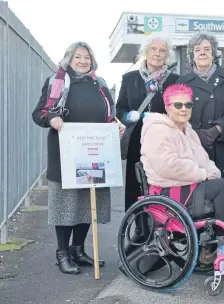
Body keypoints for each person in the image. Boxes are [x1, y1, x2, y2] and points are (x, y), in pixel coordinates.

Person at [140, 84, 224, 274]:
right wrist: (203, 174)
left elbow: (205, 160)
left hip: (188, 186)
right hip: (169, 192)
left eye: (188, 105)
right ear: (167, 107)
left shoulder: (188, 131)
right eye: (178, 105)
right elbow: (167, 165)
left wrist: (212, 172)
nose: (184, 109)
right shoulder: (158, 130)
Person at [32, 41, 124, 275]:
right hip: (66, 155)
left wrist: (116, 125)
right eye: (78, 57)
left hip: (94, 153)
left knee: (87, 201)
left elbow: (110, 114)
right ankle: (62, 253)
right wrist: (52, 119)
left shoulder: (100, 84)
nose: (83, 61)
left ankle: (78, 250)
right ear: (68, 60)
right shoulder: (57, 82)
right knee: (66, 204)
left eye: (87, 57)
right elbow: (40, 112)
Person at [116, 34, 180, 213]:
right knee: (134, 184)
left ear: (167, 55)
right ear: (145, 51)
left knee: (160, 183)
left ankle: (159, 225)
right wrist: (129, 116)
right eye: (153, 49)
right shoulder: (129, 78)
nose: (157, 54)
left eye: (162, 51)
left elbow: (178, 110)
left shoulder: (174, 80)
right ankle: (137, 224)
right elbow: (119, 109)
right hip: (136, 139)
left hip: (163, 141)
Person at [176, 32, 224, 175]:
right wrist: (195, 133)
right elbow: (176, 114)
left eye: (207, 49)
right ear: (192, 55)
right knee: (196, 193)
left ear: (214, 53)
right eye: (197, 50)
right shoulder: (182, 83)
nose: (202, 53)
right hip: (193, 146)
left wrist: (217, 129)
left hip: (223, 147)